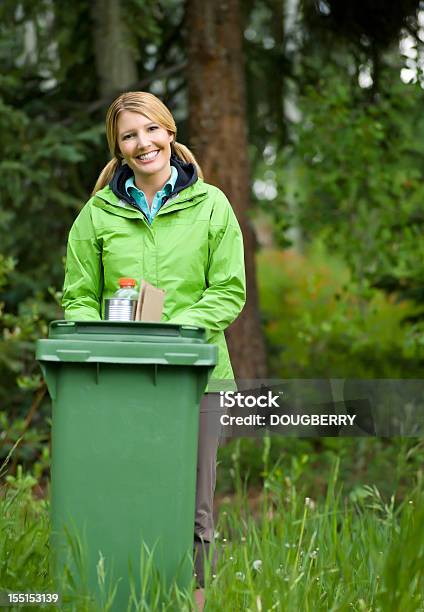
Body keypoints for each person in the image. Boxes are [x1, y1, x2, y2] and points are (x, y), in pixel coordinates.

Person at [61, 91, 246, 608]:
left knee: (193, 506)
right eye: (129, 136)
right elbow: (78, 294)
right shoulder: (97, 214)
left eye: (150, 130)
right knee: (124, 491)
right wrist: (111, 343)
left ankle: (192, 602)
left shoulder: (211, 206)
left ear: (169, 133)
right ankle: (122, 595)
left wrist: (170, 332)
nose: (143, 144)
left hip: (197, 378)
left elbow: (228, 291)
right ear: (118, 150)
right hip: (121, 380)